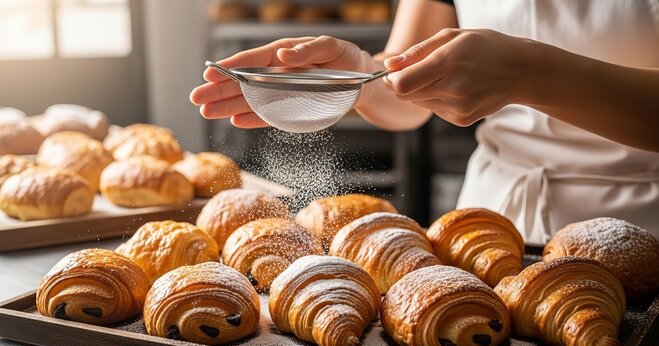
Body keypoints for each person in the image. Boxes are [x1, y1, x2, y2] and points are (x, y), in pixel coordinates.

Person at [190, 0, 659, 245]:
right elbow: (406, 88)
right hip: (491, 221)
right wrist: (356, 77)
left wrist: (531, 74)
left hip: (644, 225)